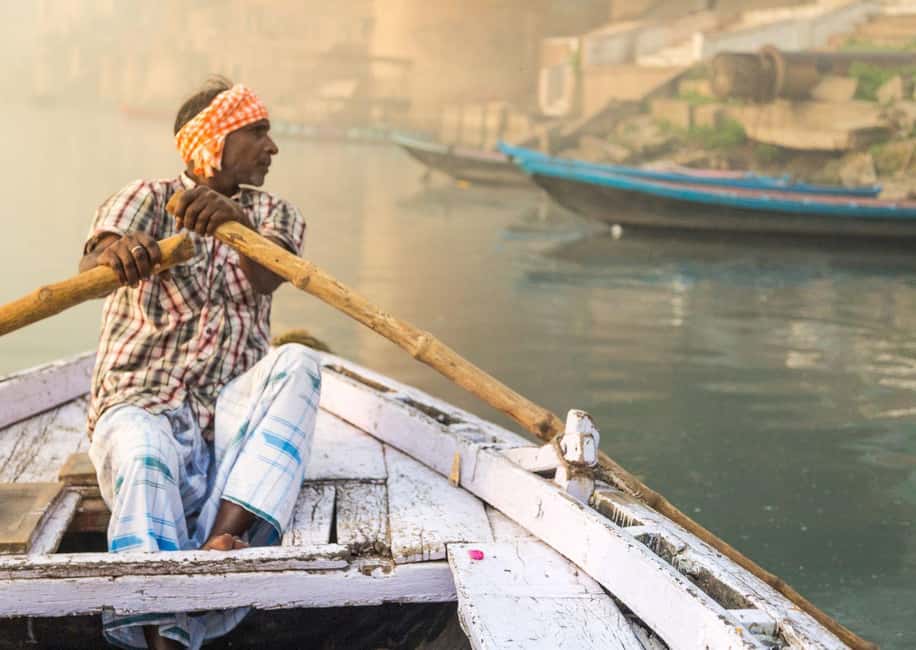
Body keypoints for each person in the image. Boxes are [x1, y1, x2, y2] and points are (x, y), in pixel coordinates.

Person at [78, 78, 320, 650]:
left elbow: (267, 275)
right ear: (214, 139)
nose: (272, 146)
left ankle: (220, 542)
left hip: (226, 422)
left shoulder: (276, 213)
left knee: (300, 361)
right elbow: (92, 262)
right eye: (258, 131)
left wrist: (235, 224)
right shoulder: (146, 195)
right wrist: (117, 252)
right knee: (143, 450)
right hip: (141, 404)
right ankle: (165, 634)